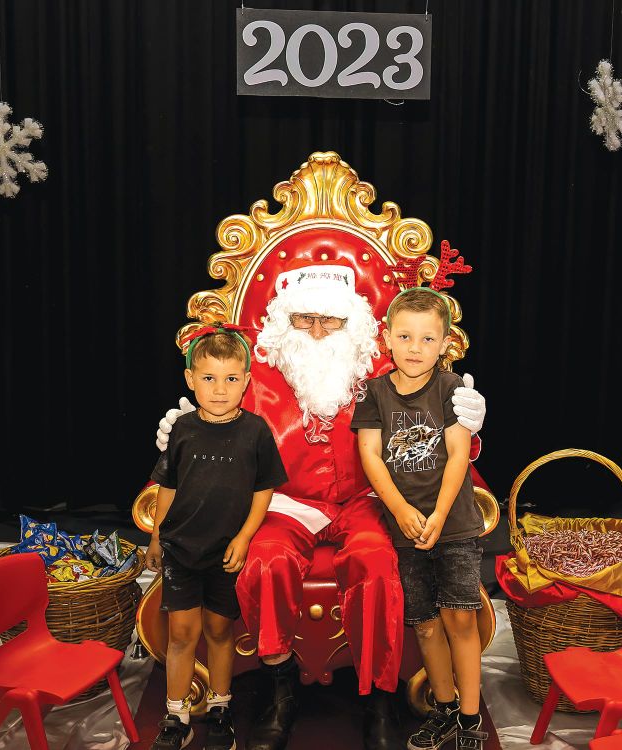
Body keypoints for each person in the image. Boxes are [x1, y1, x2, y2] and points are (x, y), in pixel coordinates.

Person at [155, 260, 488, 750]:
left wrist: (470, 427)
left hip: (365, 502)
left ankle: (377, 697)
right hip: (287, 502)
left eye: (329, 320)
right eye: (302, 319)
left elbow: (429, 439)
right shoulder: (253, 374)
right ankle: (281, 686)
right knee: (265, 563)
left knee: (377, 566)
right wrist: (189, 429)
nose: (315, 330)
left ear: (351, 322)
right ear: (282, 323)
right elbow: (219, 422)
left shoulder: (385, 367)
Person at [352, 287, 487, 750]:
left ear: (445, 343)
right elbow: (370, 455)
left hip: (454, 526)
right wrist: (402, 510)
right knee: (426, 622)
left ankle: (471, 719)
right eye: (405, 336)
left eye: (427, 339)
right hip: (405, 527)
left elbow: (457, 455)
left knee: (460, 620)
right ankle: (445, 708)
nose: (415, 348)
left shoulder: (451, 390)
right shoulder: (373, 394)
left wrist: (439, 513)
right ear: (387, 339)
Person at [146, 325, 288, 750]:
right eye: (209, 378)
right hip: (181, 550)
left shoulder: (257, 432)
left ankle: (221, 707)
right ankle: (177, 717)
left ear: (246, 381)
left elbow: (264, 489)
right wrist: (156, 538)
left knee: (220, 631)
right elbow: (166, 488)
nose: (220, 390)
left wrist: (245, 536)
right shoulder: (183, 431)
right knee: (181, 634)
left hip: (226, 553)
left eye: (231, 379)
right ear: (191, 380)